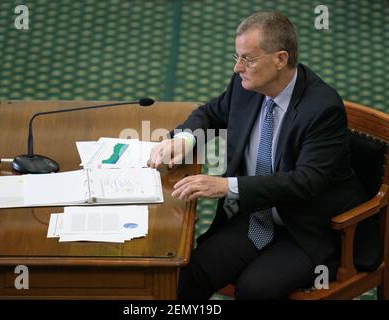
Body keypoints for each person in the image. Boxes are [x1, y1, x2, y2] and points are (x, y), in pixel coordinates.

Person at [148, 11, 369, 299]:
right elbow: (210, 112)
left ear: (280, 59)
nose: (238, 67)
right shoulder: (248, 87)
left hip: (306, 227)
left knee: (255, 289)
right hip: (256, 215)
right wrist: (186, 139)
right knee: (194, 269)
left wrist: (227, 186)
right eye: (236, 57)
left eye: (247, 59)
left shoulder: (322, 110)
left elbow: (306, 182)